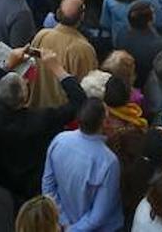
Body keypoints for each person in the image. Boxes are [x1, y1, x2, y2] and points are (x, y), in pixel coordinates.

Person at [0, 49, 89, 206]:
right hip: (35, 182)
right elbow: (79, 101)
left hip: (7, 177)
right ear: (25, 96)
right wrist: (57, 68)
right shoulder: (43, 118)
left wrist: (7, 64)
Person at [42, 98, 121, 232]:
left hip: (64, 223)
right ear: (103, 123)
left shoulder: (59, 140)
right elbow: (99, 215)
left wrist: (63, 221)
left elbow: (48, 187)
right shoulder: (109, 161)